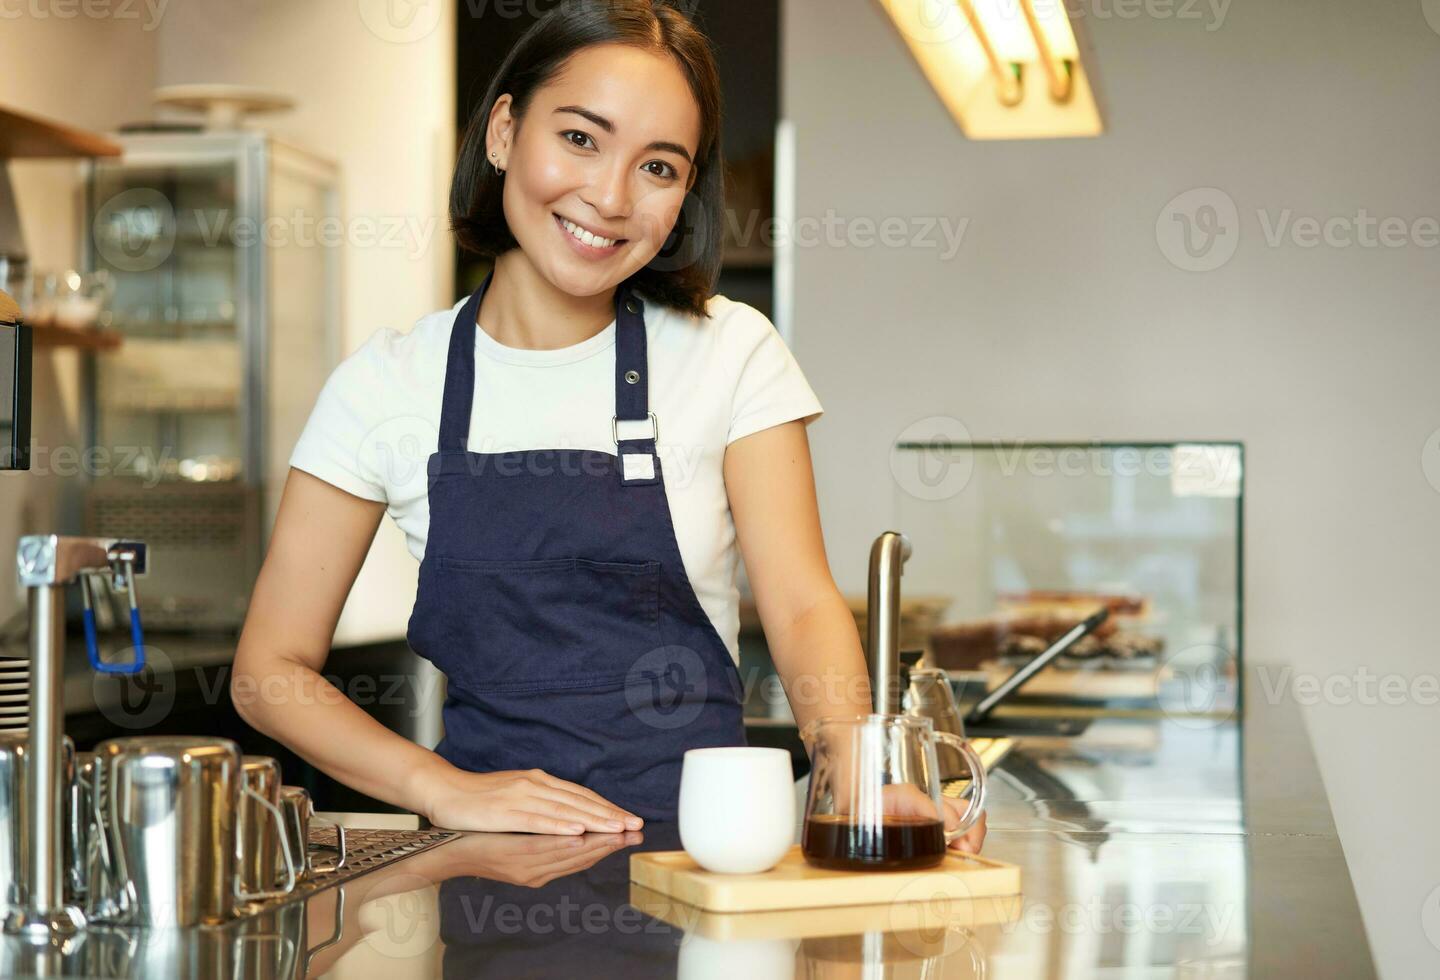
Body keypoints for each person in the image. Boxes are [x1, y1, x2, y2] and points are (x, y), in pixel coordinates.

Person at [232, 0, 984, 852]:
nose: (611, 196)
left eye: (659, 168)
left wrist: (854, 772)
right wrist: (439, 789)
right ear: (505, 131)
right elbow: (269, 672)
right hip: (490, 879)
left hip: (706, 864)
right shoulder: (385, 383)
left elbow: (804, 605)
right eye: (581, 139)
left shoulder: (730, 351)